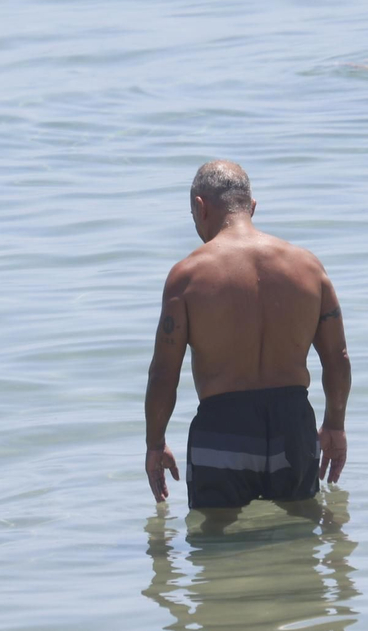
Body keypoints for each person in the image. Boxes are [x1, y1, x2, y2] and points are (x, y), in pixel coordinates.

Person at [144, 160, 351, 511]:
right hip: (293, 426)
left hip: (223, 426)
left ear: (200, 206)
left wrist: (155, 442)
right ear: (251, 207)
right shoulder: (309, 268)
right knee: (299, 548)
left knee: (216, 554)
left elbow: (165, 373)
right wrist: (334, 424)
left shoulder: (187, 277)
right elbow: (337, 358)